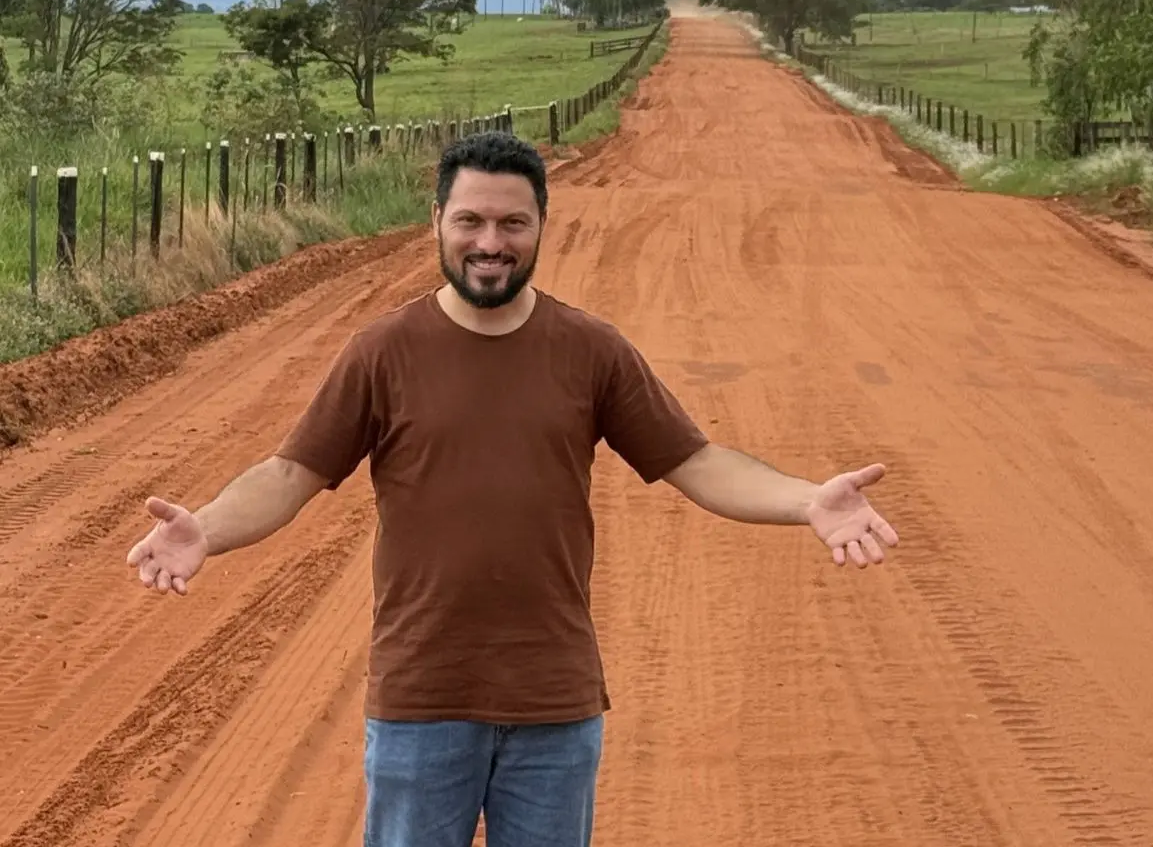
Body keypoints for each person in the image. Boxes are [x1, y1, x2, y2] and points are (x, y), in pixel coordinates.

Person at [126, 131, 899, 847]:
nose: (490, 244)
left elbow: (696, 463)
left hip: (553, 703)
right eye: (470, 221)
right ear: (436, 220)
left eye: (512, 224)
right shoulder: (383, 353)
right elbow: (292, 473)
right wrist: (209, 529)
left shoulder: (590, 351)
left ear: (540, 226)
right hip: (422, 700)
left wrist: (806, 500)